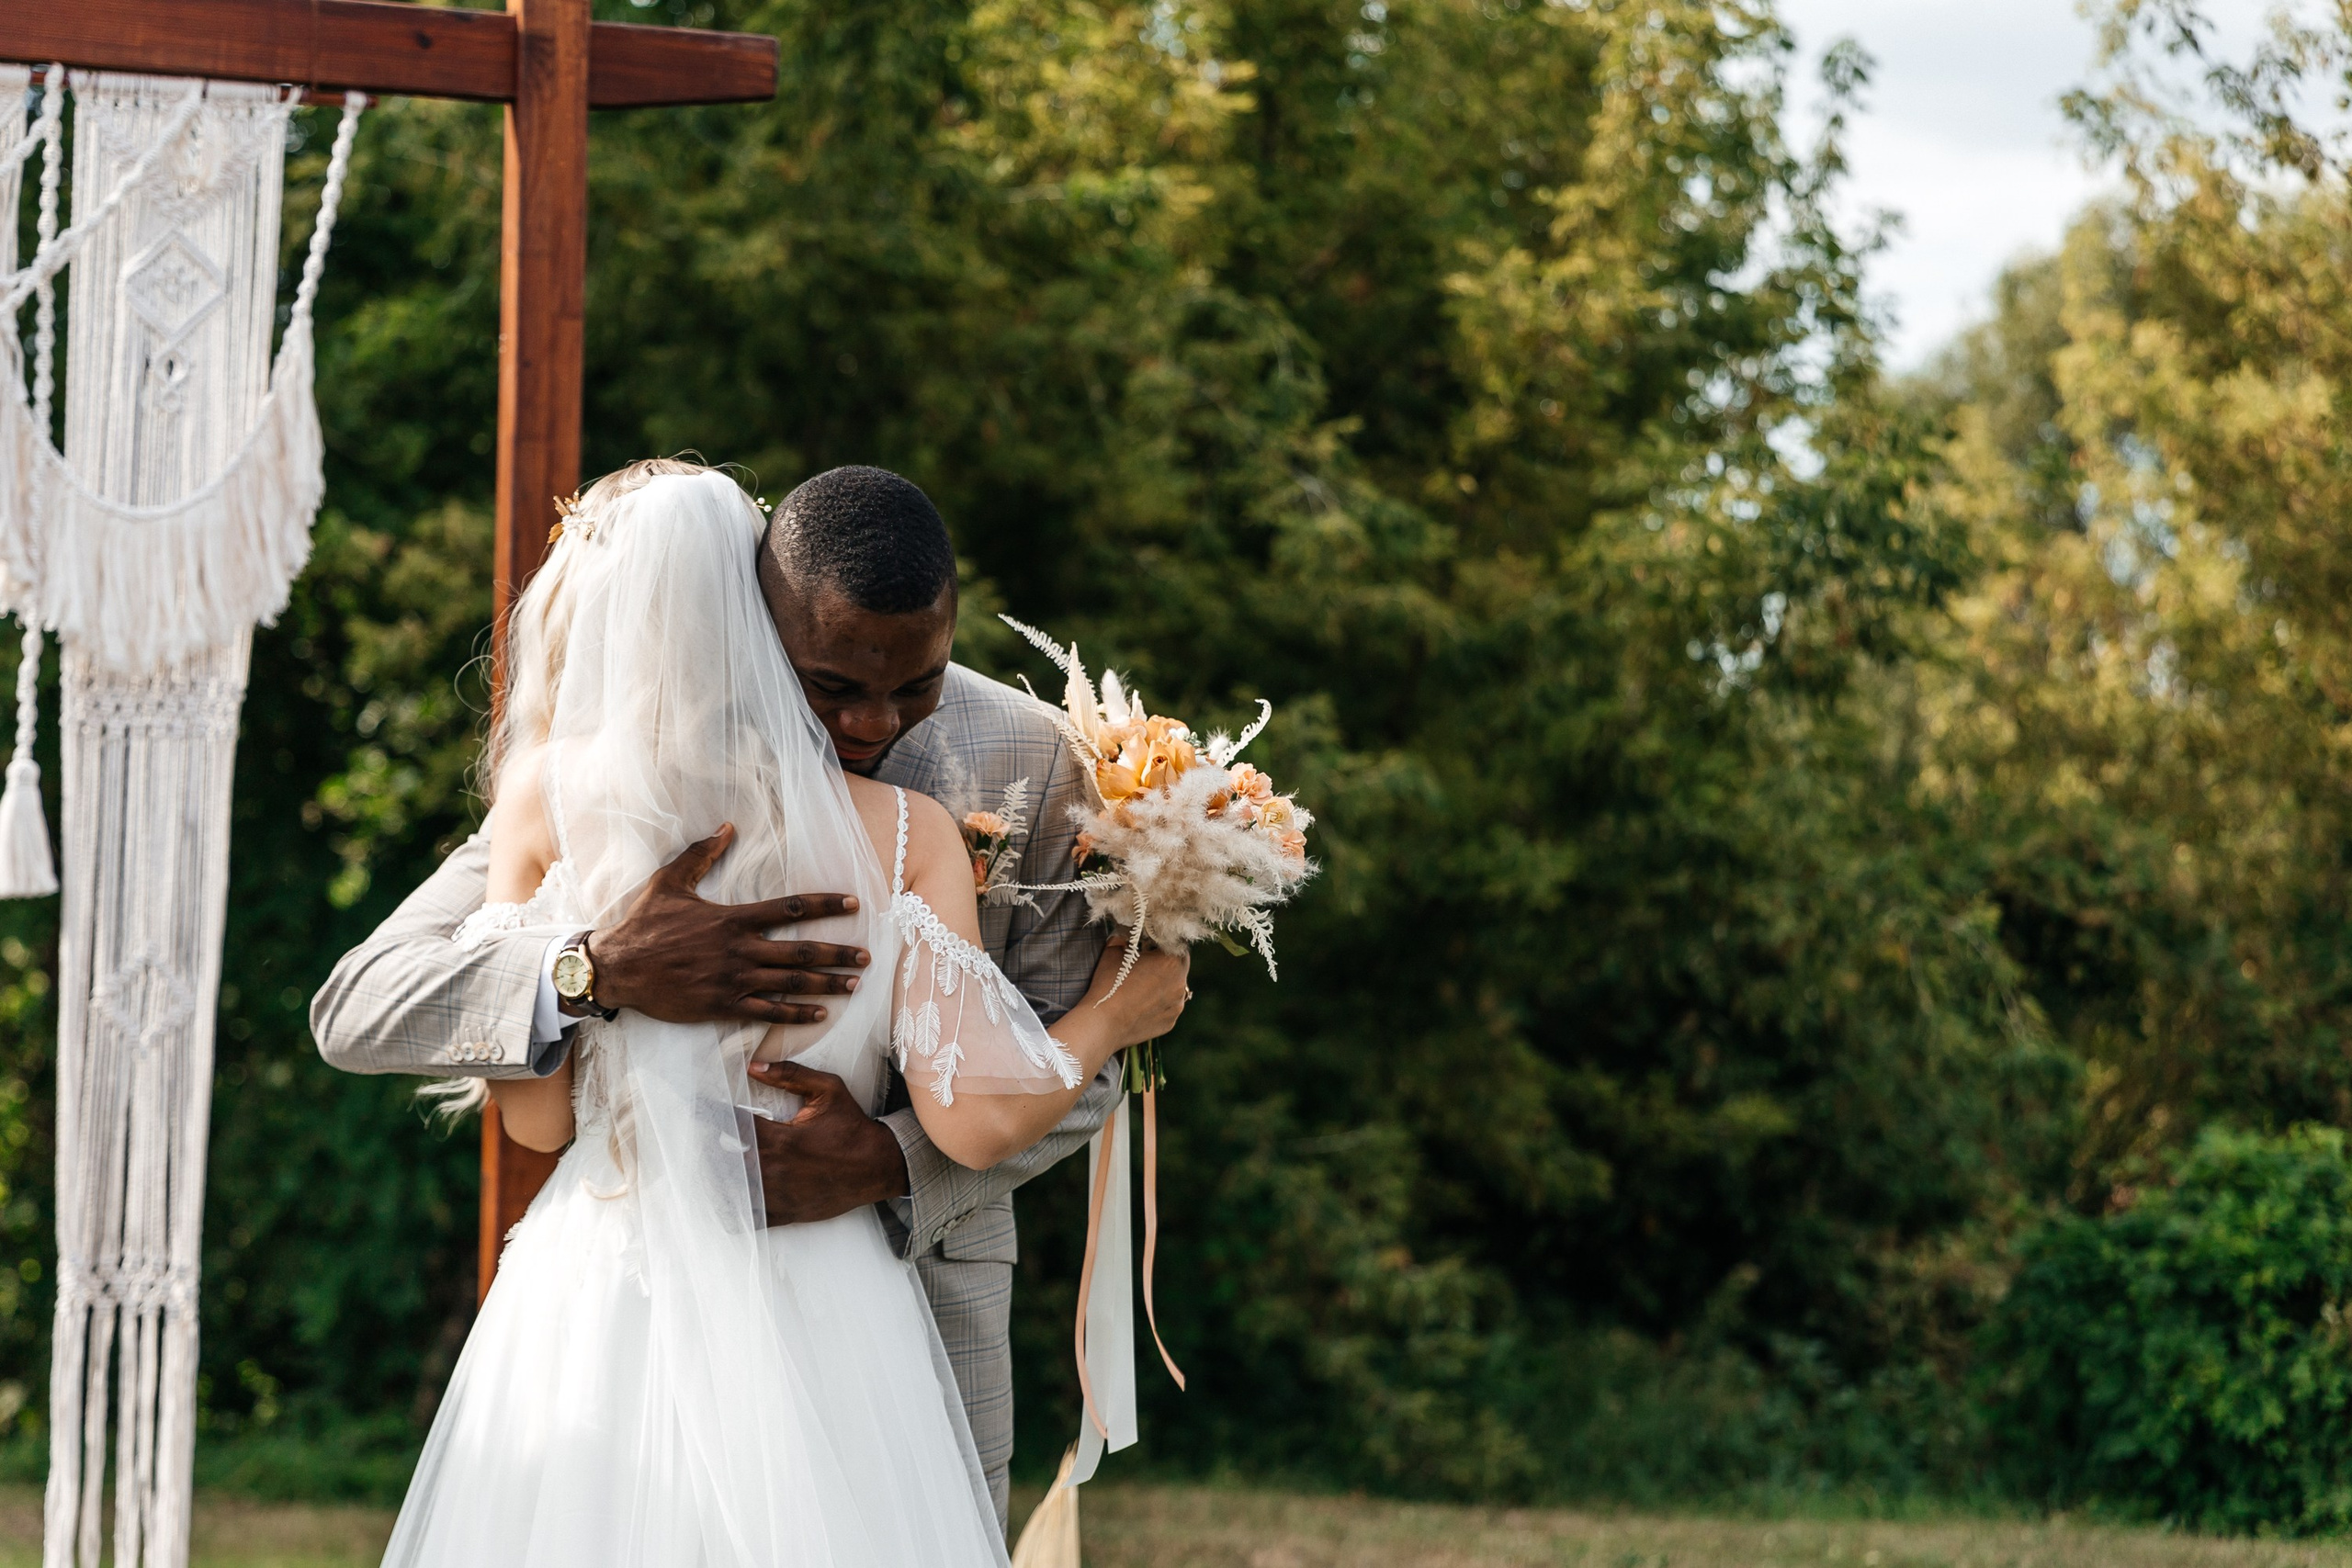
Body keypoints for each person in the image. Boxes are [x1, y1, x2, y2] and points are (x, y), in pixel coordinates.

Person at [311, 462, 1182, 1554]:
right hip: (737, 1312)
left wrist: (883, 1161)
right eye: (830, 686)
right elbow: (359, 1005)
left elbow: (536, 1124)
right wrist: (592, 971)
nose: (874, 719)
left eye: (913, 685)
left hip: (899, 1300)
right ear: (760, 618)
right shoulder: (679, 795)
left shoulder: (1031, 761)